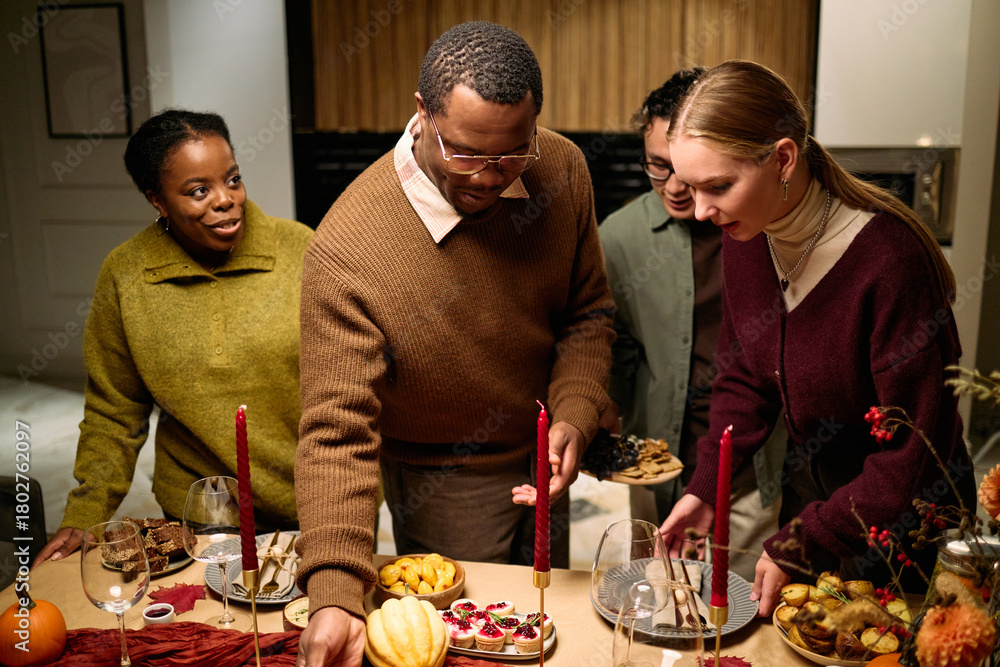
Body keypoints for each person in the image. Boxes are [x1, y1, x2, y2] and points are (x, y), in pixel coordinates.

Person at [294, 21, 615, 666]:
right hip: (441, 481)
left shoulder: (561, 167)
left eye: (513, 153)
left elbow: (587, 314)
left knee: (548, 637)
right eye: (466, 153)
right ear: (423, 114)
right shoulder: (347, 248)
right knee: (469, 650)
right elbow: (337, 434)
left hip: (546, 458)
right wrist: (335, 591)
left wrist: (575, 414)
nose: (490, 177)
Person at [658, 60, 975, 616]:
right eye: (689, 187)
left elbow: (917, 452)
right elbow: (743, 375)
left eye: (719, 186)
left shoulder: (890, 262)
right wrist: (708, 486)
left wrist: (808, 540)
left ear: (783, 159)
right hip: (813, 498)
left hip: (908, 520)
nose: (702, 210)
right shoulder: (745, 235)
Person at [34, 109, 312, 566]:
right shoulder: (126, 273)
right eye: (199, 191)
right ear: (157, 200)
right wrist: (85, 514)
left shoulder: (300, 250)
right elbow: (114, 411)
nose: (226, 200)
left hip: (311, 507)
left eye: (233, 179)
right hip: (203, 516)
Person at [598, 69, 786, 582]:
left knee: (736, 604)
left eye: (689, 171)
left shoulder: (762, 229)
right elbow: (617, 348)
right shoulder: (619, 237)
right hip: (656, 462)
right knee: (652, 597)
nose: (677, 188)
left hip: (749, 462)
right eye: (658, 167)